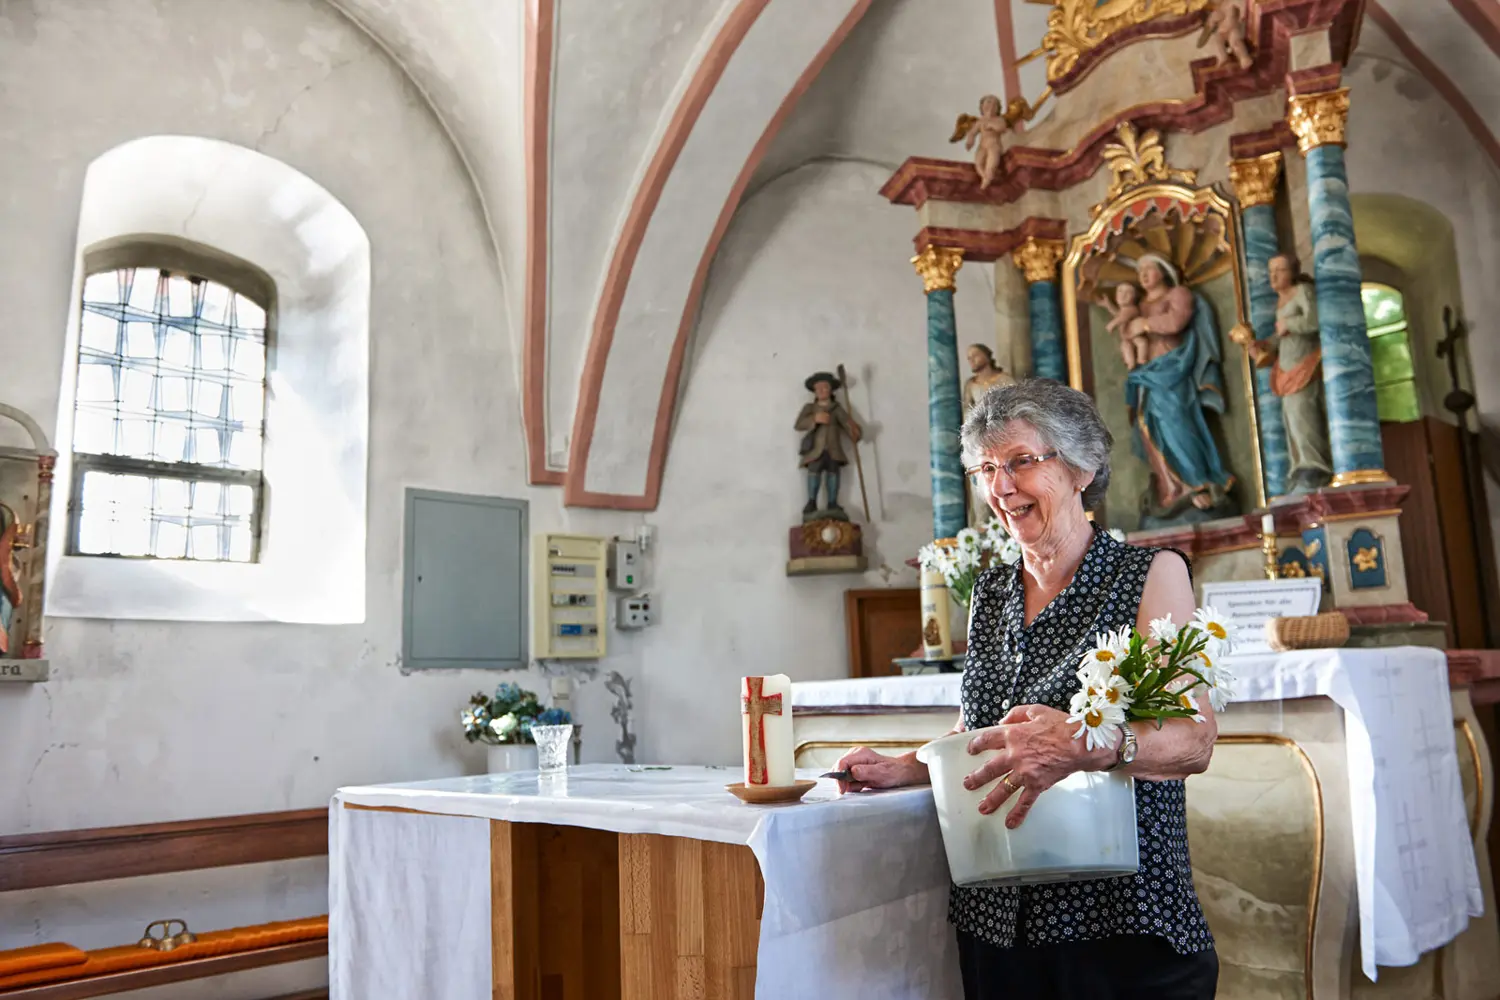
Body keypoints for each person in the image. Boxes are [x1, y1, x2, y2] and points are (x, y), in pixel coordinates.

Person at [834, 379, 1220, 999]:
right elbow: (983, 728)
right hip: (997, 915)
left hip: (1119, 917)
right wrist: (907, 768)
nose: (1001, 487)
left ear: (1081, 469)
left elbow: (1192, 740)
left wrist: (1086, 746)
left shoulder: (1151, 574)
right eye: (987, 468)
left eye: (1021, 462)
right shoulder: (990, 594)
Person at [1122, 254, 1235, 521]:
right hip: (1146, 375)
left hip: (1173, 370)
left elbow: (1176, 322)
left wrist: (1146, 324)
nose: (1144, 275)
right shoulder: (1139, 305)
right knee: (1147, 425)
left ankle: (1197, 481)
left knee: (1178, 424)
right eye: (1140, 271)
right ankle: (1171, 489)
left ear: (1163, 271)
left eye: (1149, 269)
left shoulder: (1179, 293)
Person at [1252, 253, 1331, 492]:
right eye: (1271, 271)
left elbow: (1316, 321)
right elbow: (1282, 337)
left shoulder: (1303, 291)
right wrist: (1262, 346)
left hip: (1305, 364)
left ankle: (1316, 466)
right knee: (1291, 422)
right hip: (1286, 366)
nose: (1273, 276)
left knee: (1304, 416)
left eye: (1280, 270)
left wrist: (1290, 324)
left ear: (1293, 272)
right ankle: (1299, 467)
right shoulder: (1281, 301)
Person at [794, 371, 861, 519]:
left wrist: (855, 432)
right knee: (814, 472)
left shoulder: (837, 409)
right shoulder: (809, 408)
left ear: (830, 390)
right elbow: (799, 425)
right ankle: (811, 502)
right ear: (814, 391)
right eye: (818, 389)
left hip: (833, 449)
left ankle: (832, 502)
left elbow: (847, 424)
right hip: (815, 450)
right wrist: (814, 418)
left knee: (833, 473)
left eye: (825, 388)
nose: (822, 391)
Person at [1100, 283, 1147, 368]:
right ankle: (1130, 364)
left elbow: (1122, 318)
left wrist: (1112, 324)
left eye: (1128, 292)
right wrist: (1108, 305)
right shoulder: (1123, 310)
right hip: (1126, 336)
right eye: (1120, 291)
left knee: (1141, 343)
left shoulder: (1132, 309)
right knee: (1125, 346)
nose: (1123, 295)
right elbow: (1117, 314)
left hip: (1134, 335)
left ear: (1134, 297)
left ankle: (1141, 360)